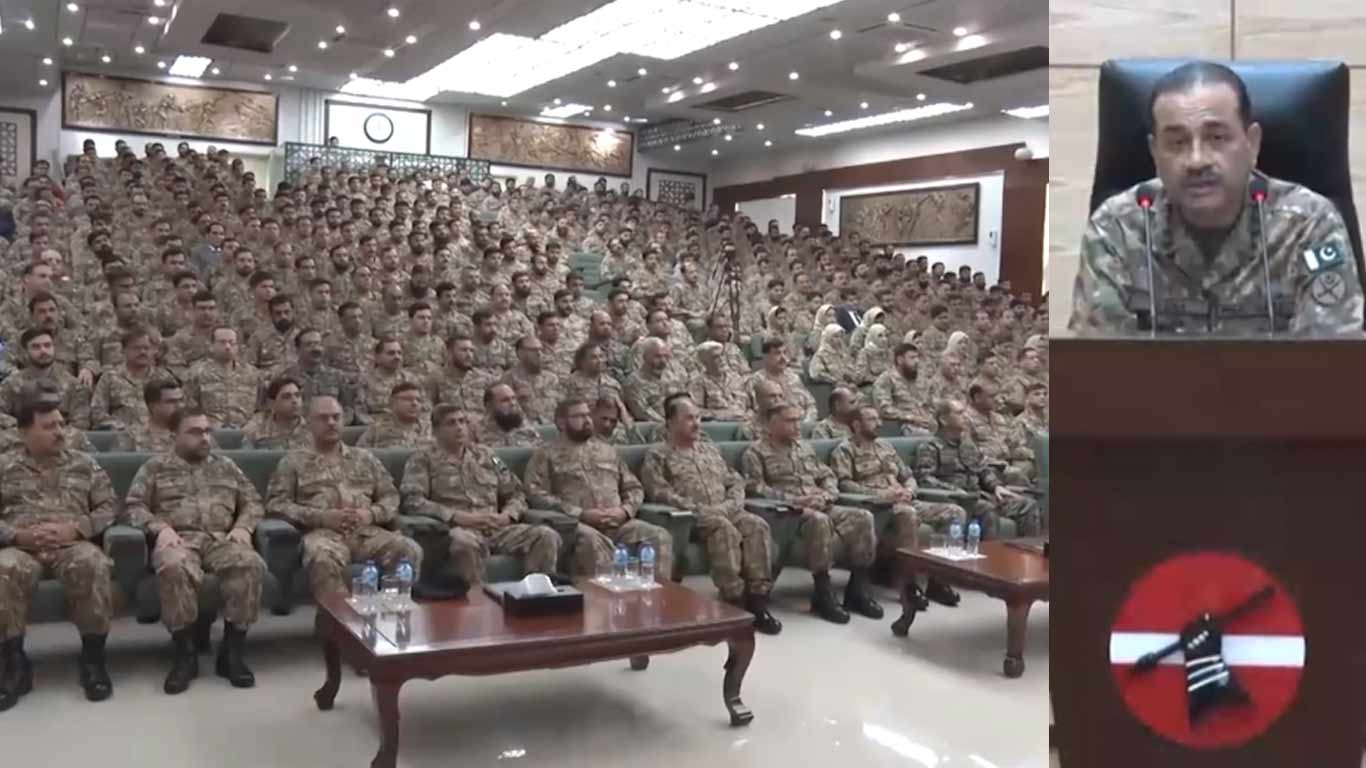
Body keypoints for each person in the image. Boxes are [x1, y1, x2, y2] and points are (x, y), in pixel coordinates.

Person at [1070, 60, 1364, 335]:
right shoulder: (1116, 229)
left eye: (1217, 138)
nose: (1197, 160)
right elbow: (1099, 370)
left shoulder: (1309, 228)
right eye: (1177, 142)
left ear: (1252, 144)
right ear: (1154, 153)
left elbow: (1329, 369)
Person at [121, 409, 267, 694]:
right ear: (174, 436)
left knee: (250, 564)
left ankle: (232, 652)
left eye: (207, 431)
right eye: (195, 432)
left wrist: (243, 527)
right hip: (179, 540)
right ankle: (184, 654)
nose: (204, 438)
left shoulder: (226, 466)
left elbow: (253, 503)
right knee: (174, 567)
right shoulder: (155, 467)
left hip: (221, 539)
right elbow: (132, 507)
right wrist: (159, 528)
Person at [0, 399, 116, 710]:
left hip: (72, 544)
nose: (60, 431)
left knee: (92, 563)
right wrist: (15, 535)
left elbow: (109, 508)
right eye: (49, 426)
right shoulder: (4, 466)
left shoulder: (84, 463)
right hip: (20, 546)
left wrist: (77, 529)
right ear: (25, 431)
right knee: (2, 570)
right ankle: (14, 664)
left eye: (61, 424)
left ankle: (93, 660)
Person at [641, 394, 781, 634]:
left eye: (698, 417)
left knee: (757, 525)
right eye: (688, 418)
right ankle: (732, 602)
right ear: (670, 422)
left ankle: (758, 601)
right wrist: (697, 508)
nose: (696, 423)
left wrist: (730, 505)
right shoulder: (658, 454)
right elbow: (658, 491)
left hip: (726, 509)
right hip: (691, 517)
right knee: (723, 528)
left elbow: (735, 481)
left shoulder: (709, 450)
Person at [265, 396, 423, 597]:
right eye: (323, 418)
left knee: (409, 549)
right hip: (323, 535)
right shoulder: (293, 462)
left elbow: (391, 497)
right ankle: (337, 623)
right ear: (309, 424)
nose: (331, 422)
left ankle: (390, 615)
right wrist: (321, 517)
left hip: (366, 533)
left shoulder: (364, 458)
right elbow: (276, 504)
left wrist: (370, 514)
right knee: (322, 559)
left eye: (336, 417)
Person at [740, 403, 881, 624]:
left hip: (819, 503)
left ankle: (857, 587)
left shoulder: (804, 448)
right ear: (771, 424)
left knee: (863, 517)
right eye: (790, 421)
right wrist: (794, 500)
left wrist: (827, 494)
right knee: (819, 520)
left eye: (798, 420)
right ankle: (822, 590)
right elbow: (755, 487)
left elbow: (827, 474)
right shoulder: (756, 452)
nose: (797, 425)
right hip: (789, 513)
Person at [400, 406, 560, 585]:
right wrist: (456, 516)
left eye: (463, 422)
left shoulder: (486, 455)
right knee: (464, 543)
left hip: (496, 528)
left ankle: (536, 595)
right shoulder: (422, 459)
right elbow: (412, 500)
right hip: (456, 530)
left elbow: (516, 492)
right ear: (436, 431)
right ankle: (477, 603)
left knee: (545, 535)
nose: (459, 427)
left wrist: (507, 515)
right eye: (451, 423)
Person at [830, 406, 965, 608]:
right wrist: (881, 495)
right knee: (907, 514)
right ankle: (909, 585)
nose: (879, 423)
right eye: (872, 419)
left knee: (955, 513)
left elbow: (908, 476)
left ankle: (938, 579)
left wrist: (909, 490)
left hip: (904, 499)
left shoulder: (886, 446)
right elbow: (844, 484)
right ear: (857, 425)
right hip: (878, 507)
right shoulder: (845, 450)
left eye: (878, 419)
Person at [524, 399, 673, 578]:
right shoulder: (545, 454)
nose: (587, 420)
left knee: (658, 536)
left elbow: (633, 487)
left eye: (588, 415)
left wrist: (624, 511)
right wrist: (580, 513)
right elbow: (536, 494)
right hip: (577, 526)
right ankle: (603, 603)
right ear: (561, 422)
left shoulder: (607, 450)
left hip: (619, 523)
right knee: (592, 541)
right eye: (579, 416)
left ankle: (656, 599)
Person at [915, 399, 1040, 538]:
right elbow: (925, 479)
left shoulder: (968, 445)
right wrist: (954, 490)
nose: (965, 416)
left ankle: (1027, 552)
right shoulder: (930, 447)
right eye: (959, 413)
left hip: (979, 495)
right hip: (956, 500)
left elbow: (983, 468)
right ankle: (990, 556)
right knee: (987, 509)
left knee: (1027, 505)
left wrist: (996, 486)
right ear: (944, 420)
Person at [0, 329, 93, 430]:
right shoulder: (12, 384)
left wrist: (52, 434)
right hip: (21, 439)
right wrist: (26, 429)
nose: (43, 351)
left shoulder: (74, 385)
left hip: (62, 440)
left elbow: (81, 424)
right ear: (25, 352)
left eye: (47, 345)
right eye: (36, 347)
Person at [183, 326, 258, 429]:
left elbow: (262, 406)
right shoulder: (196, 373)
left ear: (237, 347)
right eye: (222, 342)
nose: (227, 346)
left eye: (232, 343)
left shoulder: (252, 374)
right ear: (211, 346)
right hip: (208, 433)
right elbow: (188, 408)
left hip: (246, 433)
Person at [90, 327, 161, 431]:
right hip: (122, 438)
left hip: (157, 439)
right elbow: (96, 412)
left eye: (146, 348)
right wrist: (119, 426)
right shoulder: (110, 378)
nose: (142, 352)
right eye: (136, 348)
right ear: (124, 350)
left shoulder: (163, 378)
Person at [744, 338, 816, 422]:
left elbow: (811, 404)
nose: (783, 358)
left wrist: (806, 423)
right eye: (777, 353)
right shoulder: (755, 381)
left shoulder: (794, 378)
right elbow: (750, 411)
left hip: (800, 425)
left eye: (784, 353)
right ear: (765, 357)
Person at [872, 342, 934, 435]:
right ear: (900, 360)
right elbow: (884, 409)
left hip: (925, 422)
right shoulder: (886, 379)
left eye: (917, 357)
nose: (917, 361)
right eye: (912, 358)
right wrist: (910, 417)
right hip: (902, 425)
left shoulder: (918, 378)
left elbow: (929, 402)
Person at [500, 335, 561, 425]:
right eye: (534, 350)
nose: (539, 353)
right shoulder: (509, 378)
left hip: (552, 427)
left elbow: (561, 406)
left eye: (541, 350)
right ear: (520, 353)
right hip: (524, 428)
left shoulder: (552, 378)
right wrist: (517, 397)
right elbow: (502, 409)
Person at [623, 337, 688, 422]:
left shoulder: (673, 377)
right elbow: (642, 413)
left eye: (666, 356)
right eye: (658, 356)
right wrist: (669, 424)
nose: (663, 361)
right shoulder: (633, 383)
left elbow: (684, 404)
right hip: (652, 429)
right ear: (644, 357)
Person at [115, 379, 185, 452]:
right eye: (171, 402)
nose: (180, 405)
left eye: (181, 400)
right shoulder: (131, 435)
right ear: (153, 406)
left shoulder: (190, 432)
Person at [242, 376, 310, 449]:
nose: (295, 401)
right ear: (272, 403)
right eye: (286, 397)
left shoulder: (314, 428)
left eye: (297, 395)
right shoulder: (257, 428)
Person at [357, 382, 432, 448]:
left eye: (418, 400)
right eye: (408, 399)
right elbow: (361, 454)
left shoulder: (431, 429)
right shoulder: (377, 429)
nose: (415, 403)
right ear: (393, 403)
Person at [688, 341, 747, 421]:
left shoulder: (737, 378)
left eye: (722, 355)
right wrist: (720, 414)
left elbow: (751, 406)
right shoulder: (698, 382)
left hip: (743, 423)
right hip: (717, 425)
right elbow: (695, 411)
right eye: (716, 357)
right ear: (705, 362)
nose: (721, 359)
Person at [477, 383, 542, 447]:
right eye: (505, 400)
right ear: (489, 406)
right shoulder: (477, 432)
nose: (513, 403)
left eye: (513, 398)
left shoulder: (526, 427)